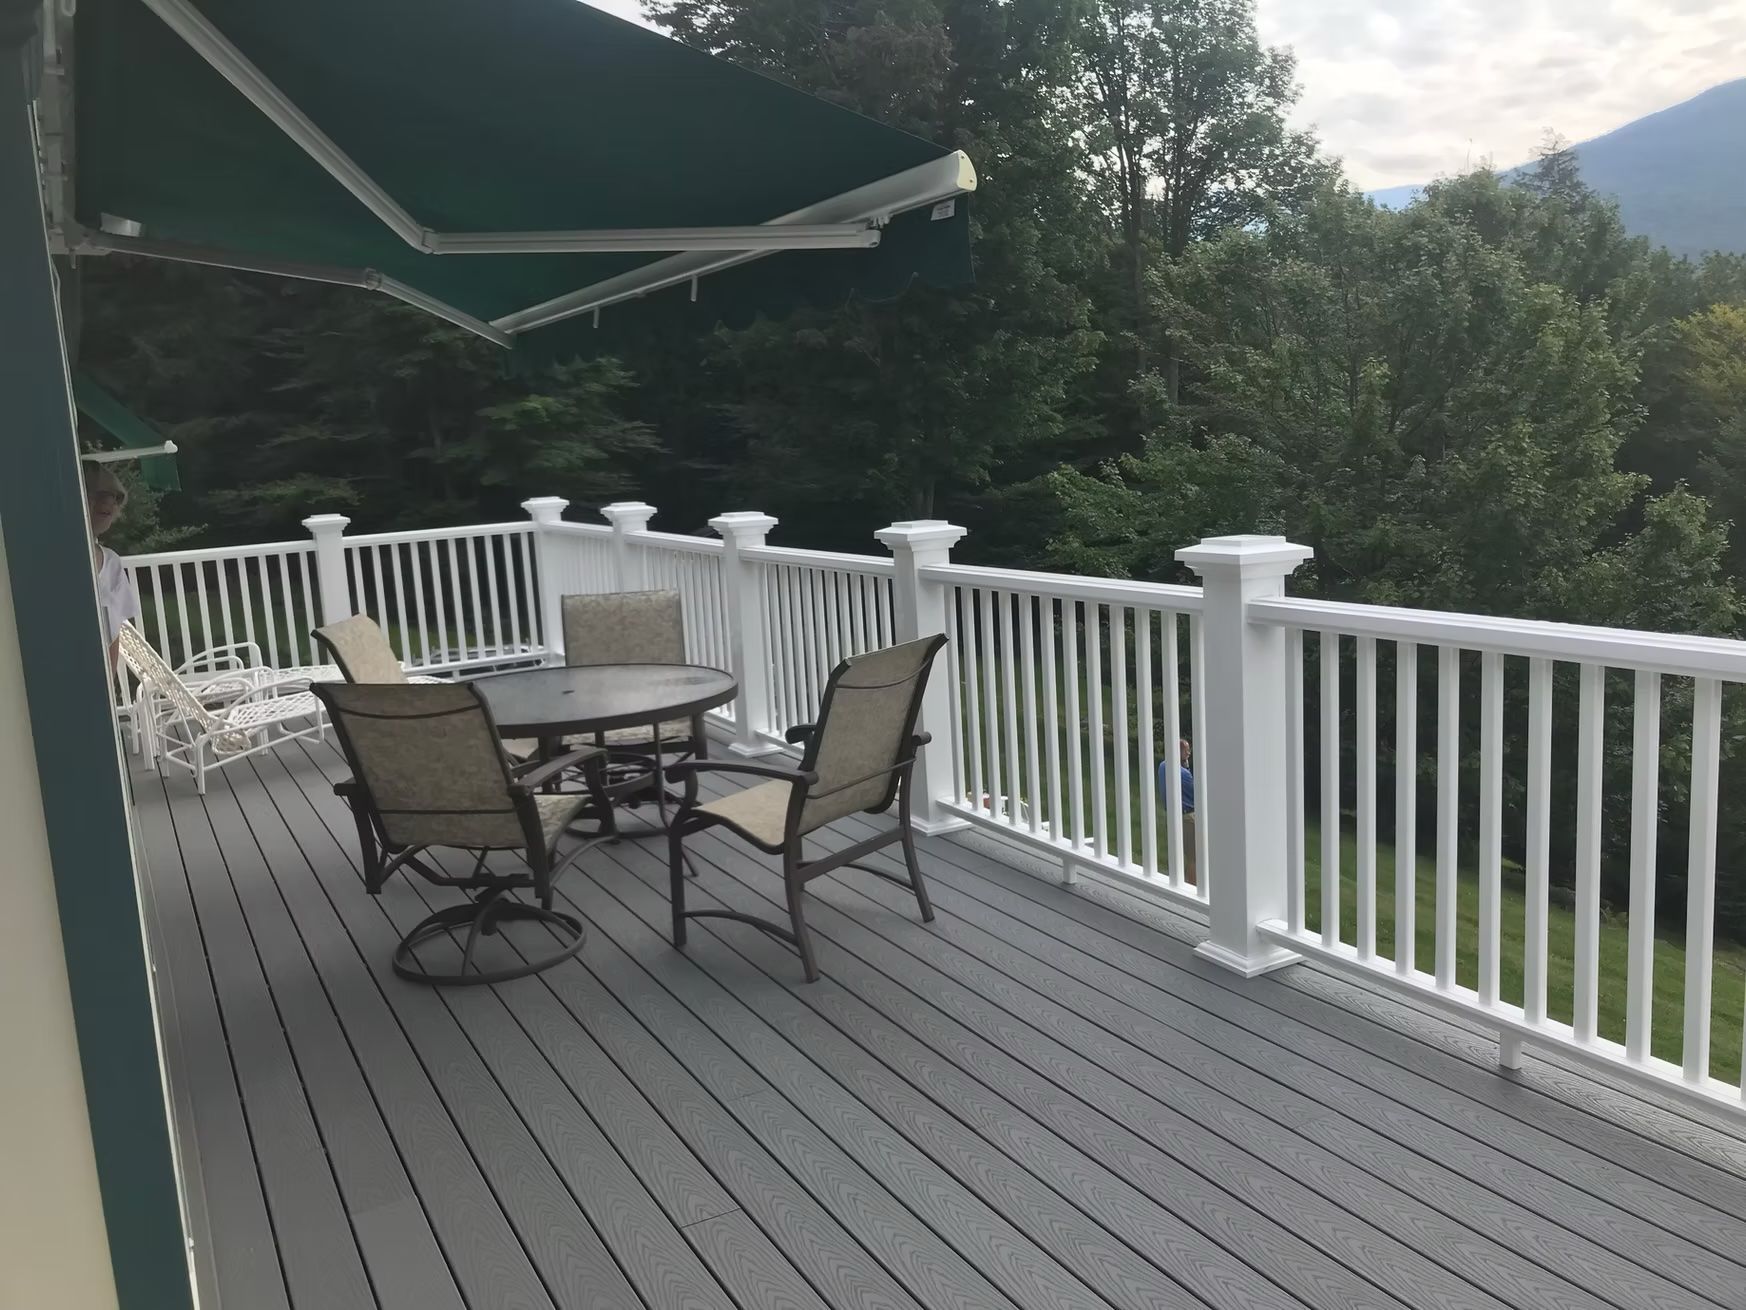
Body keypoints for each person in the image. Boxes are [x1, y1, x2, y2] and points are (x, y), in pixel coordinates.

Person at [84, 462, 141, 670]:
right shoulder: (54, 557)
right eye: (98, 494)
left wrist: (108, 681)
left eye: (115, 496)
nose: (108, 503)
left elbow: (114, 631)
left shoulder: (112, 563)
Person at [1157, 737, 1197, 885]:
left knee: (1178, 855)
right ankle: (1193, 889)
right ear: (1178, 751)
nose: (1189, 753)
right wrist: (1186, 768)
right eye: (1186, 750)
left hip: (1172, 816)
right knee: (1194, 858)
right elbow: (1195, 793)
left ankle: (1176, 883)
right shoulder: (1184, 774)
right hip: (1187, 817)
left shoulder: (1162, 766)